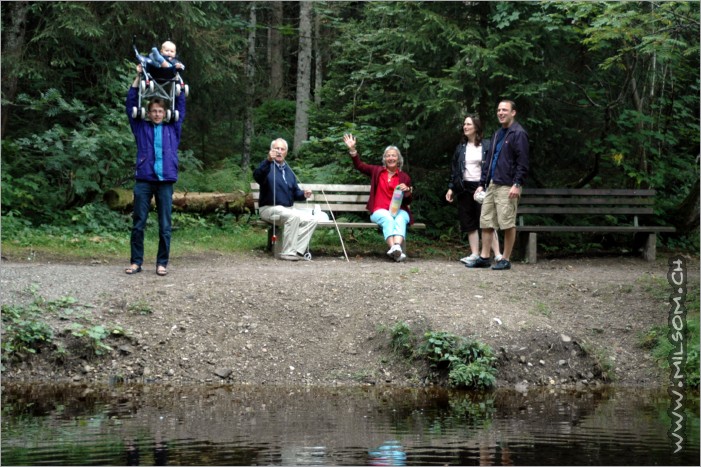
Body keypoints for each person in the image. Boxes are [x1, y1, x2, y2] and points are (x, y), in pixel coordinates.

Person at [124, 63, 185, 276]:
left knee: (165, 225)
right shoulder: (141, 127)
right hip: (144, 180)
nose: (157, 114)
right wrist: (137, 78)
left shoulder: (173, 128)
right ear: (148, 113)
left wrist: (177, 77)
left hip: (165, 180)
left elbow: (181, 104)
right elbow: (130, 104)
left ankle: (162, 263)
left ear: (165, 113)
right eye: (154, 111)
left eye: (161, 111)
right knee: (139, 222)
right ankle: (136, 262)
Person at [468, 100, 529, 270]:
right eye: (499, 110)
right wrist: (482, 183)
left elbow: (522, 162)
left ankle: (505, 259)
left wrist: (517, 183)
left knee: (507, 222)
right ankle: (485, 257)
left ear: (513, 113)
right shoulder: (497, 134)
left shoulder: (519, 133)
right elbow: (489, 160)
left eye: (505, 110)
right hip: (492, 183)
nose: (501, 113)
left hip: (508, 184)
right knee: (486, 221)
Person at [343, 133, 415, 262]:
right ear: (384, 159)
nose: (391, 158)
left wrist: (408, 191)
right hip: (379, 211)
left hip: (398, 210)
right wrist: (352, 149)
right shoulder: (377, 171)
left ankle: (396, 248)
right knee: (388, 218)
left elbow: (408, 200)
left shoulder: (404, 177)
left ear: (398, 159)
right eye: (388, 156)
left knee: (402, 218)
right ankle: (394, 248)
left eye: (393, 155)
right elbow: (359, 165)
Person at [445, 114, 502, 266]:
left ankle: (497, 254)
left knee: (487, 221)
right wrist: (451, 188)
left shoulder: (487, 145)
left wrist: (486, 185)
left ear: (476, 127)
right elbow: (454, 170)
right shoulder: (461, 148)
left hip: (482, 187)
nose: (465, 127)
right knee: (468, 222)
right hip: (464, 188)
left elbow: (493, 167)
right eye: (464, 124)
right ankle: (475, 254)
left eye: (469, 124)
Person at [253, 138, 318, 261]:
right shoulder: (267, 167)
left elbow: (295, 193)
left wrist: (304, 194)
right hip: (269, 208)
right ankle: (288, 252)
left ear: (286, 153)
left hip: (288, 209)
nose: (279, 151)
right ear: (271, 150)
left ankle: (298, 251)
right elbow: (257, 176)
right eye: (276, 148)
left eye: (282, 149)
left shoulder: (288, 171)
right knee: (293, 216)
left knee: (312, 219)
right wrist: (268, 160)